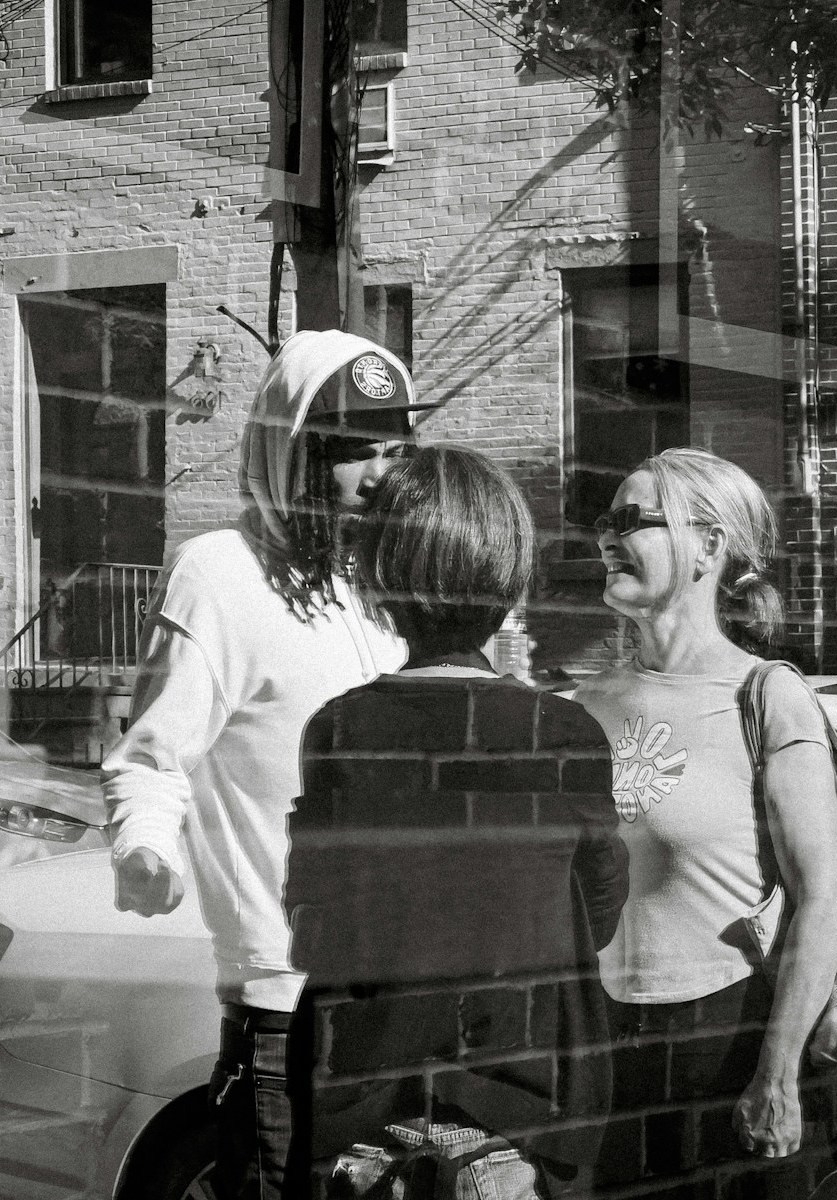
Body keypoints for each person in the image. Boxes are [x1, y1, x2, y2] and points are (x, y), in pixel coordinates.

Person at [102, 329, 439, 1200]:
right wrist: (148, 849)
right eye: (352, 451)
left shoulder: (388, 581)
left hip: (407, 999)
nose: (379, 474)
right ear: (290, 455)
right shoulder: (221, 574)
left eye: (393, 448)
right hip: (288, 1005)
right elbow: (151, 757)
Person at [283, 446, 630, 1199]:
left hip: (367, 1105)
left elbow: (312, 923)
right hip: (520, 1108)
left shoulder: (340, 732)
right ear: (506, 577)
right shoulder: (564, 735)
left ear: (380, 575)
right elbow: (596, 914)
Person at [572, 447, 837, 1194]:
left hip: (724, 1045)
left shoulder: (765, 696)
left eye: (633, 518)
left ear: (708, 545)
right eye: (605, 518)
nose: (607, 535)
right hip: (602, 1050)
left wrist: (778, 1072)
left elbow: (824, 896)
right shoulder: (580, 706)